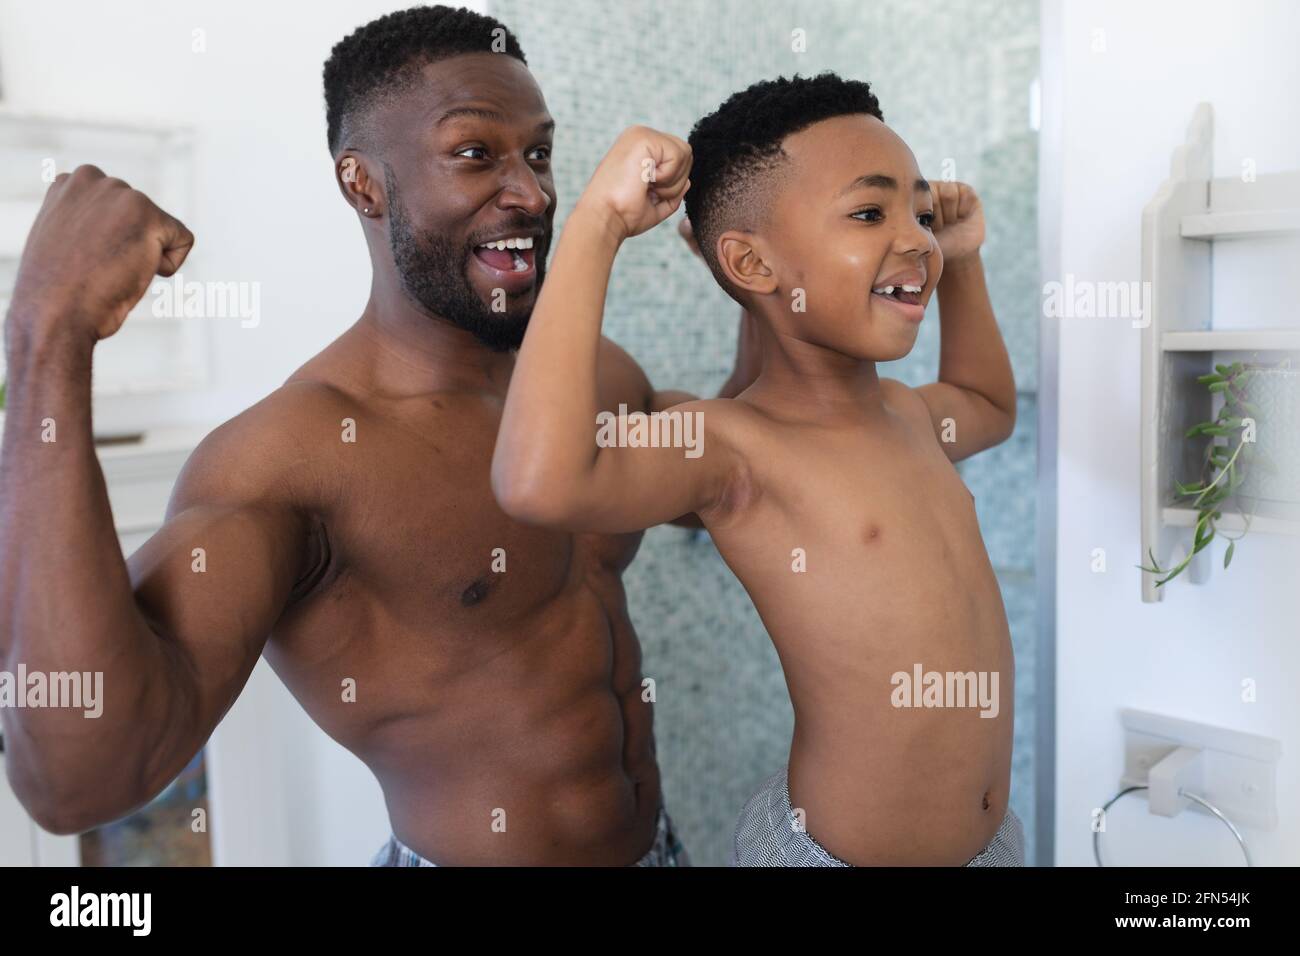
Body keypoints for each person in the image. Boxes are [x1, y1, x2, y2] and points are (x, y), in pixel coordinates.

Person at [0, 5, 752, 867]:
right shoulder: (289, 462)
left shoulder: (593, 376)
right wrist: (47, 335)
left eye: (538, 153)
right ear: (363, 184)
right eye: (476, 154)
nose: (534, 193)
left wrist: (757, 291)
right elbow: (76, 782)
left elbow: (723, 486)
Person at [491, 72, 1024, 866]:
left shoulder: (910, 417)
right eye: (871, 212)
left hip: (991, 845)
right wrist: (599, 223)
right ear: (752, 263)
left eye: (918, 211)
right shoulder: (733, 446)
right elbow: (540, 479)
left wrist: (965, 257)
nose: (913, 238)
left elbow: (988, 399)